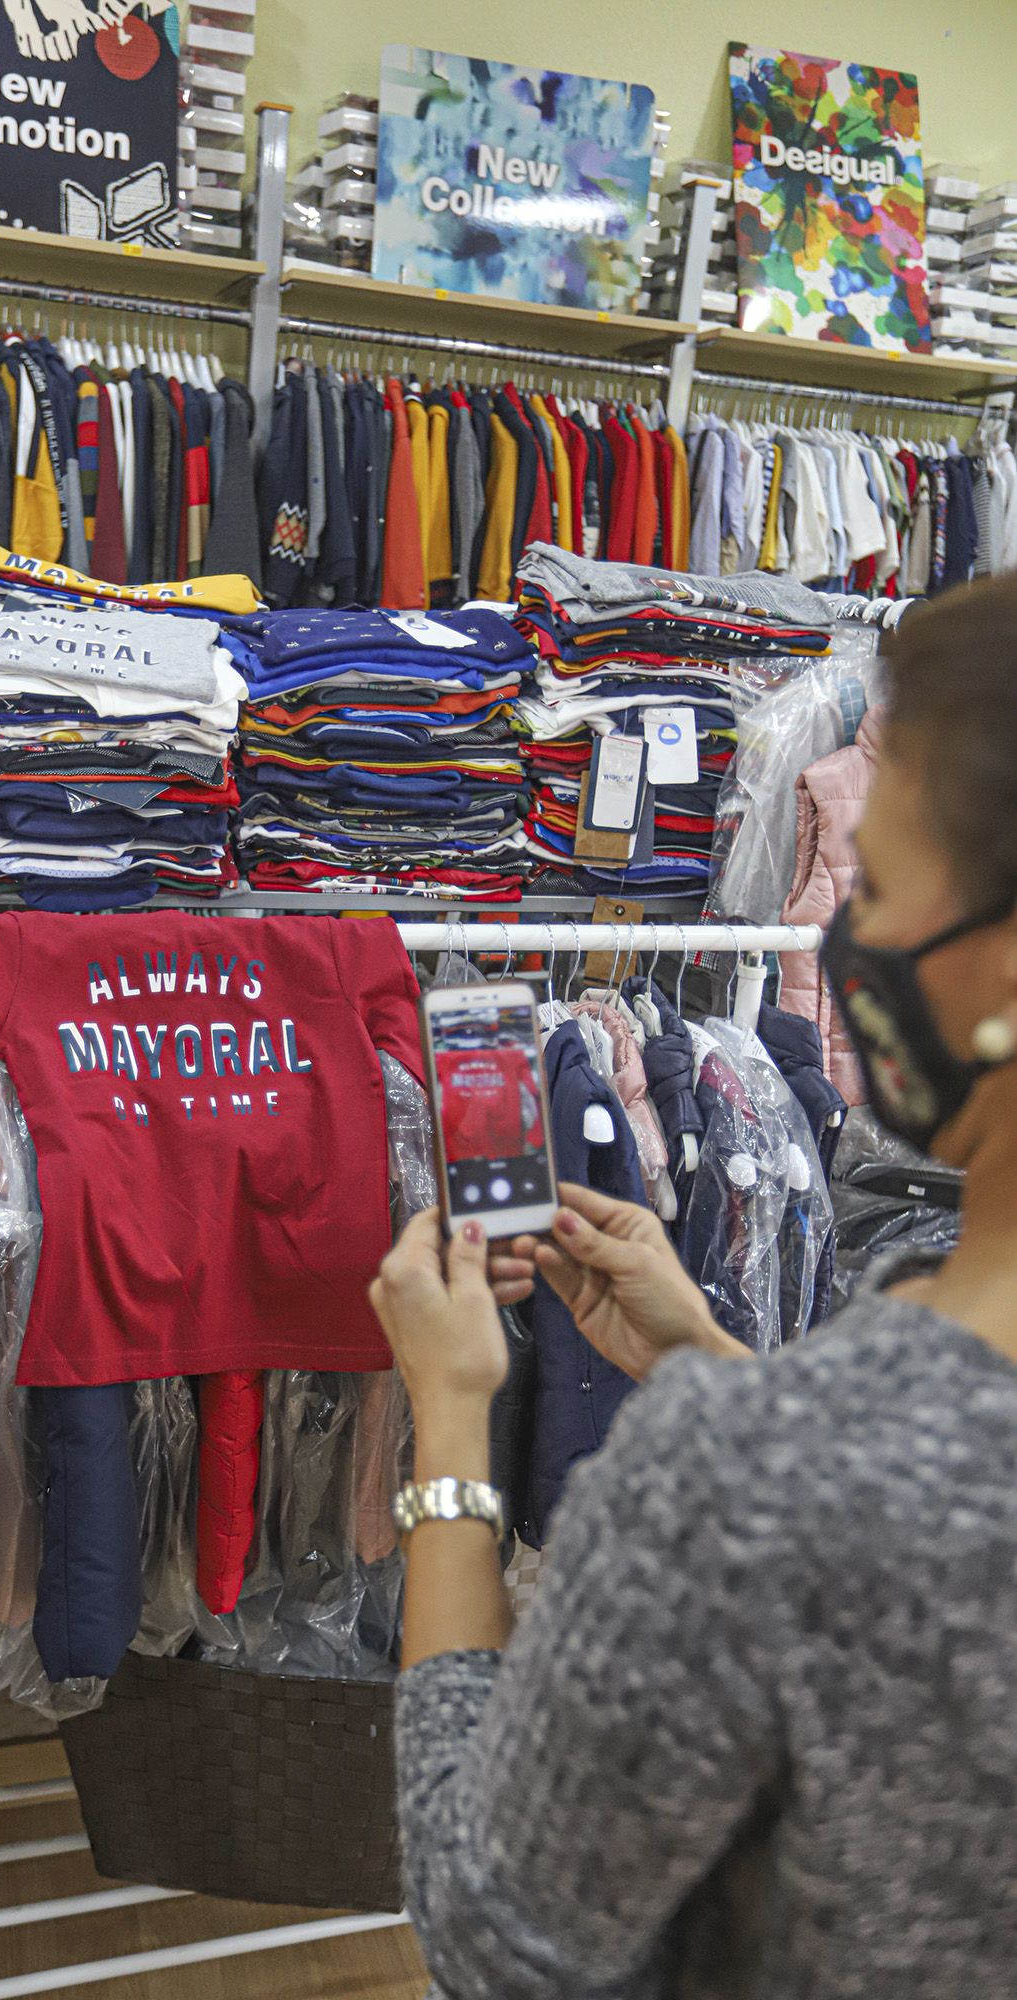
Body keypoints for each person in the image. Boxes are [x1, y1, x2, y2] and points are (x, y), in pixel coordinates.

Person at [370, 573, 1017, 1998]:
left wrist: (452, 1427)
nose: (835, 943)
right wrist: (713, 1353)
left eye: (880, 890)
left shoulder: (747, 1480)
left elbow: (496, 1930)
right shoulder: (800, 1451)